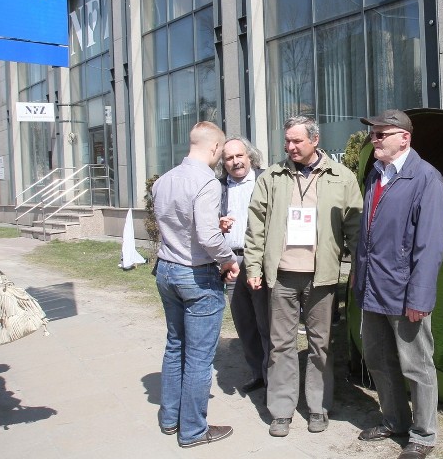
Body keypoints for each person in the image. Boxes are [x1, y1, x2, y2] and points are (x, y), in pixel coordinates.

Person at [245, 116, 362, 437]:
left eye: (297, 141)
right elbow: (255, 227)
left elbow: (355, 228)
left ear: (315, 140)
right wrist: (254, 267)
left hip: (322, 278)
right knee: (281, 345)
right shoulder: (272, 177)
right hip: (281, 276)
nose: (290, 147)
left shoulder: (342, 178)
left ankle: (318, 407)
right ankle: (281, 410)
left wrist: (355, 269)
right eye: (287, 141)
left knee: (320, 345)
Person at [352, 110, 443, 459]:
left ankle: (423, 435)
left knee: (416, 365)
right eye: (373, 134)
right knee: (378, 359)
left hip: (405, 291)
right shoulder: (376, 176)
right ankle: (395, 421)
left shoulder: (426, 178)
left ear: (404, 138)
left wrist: (420, 296)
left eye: (381, 133)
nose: (374, 139)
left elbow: (430, 244)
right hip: (373, 287)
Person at [152, 121, 240, 448]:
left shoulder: (164, 180)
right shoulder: (207, 181)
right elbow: (206, 236)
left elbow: (178, 223)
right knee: (200, 357)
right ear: (215, 148)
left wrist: (211, 228)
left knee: (176, 344)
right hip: (196, 275)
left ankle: (169, 417)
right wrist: (228, 259)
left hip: (166, 269)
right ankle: (192, 429)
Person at [217, 137, 269, 394]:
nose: (235, 162)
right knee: (244, 322)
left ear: (250, 157)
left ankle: (275, 378)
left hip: (260, 260)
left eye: (240, 156)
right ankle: (257, 372)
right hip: (231, 261)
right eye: (229, 158)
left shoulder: (266, 179)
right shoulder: (217, 187)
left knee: (266, 321)